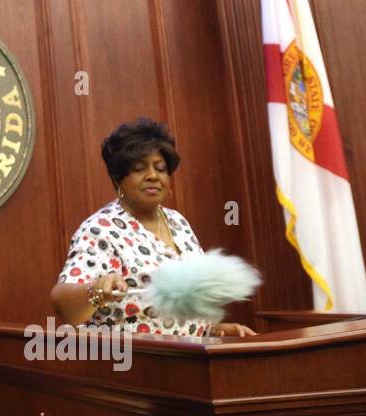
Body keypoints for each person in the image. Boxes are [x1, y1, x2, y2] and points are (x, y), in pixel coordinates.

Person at [49, 118, 257, 338]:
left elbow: (184, 304)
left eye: (161, 169)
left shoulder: (178, 222)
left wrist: (213, 329)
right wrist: (96, 289)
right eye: (139, 169)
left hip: (193, 357)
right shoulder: (100, 229)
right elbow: (62, 303)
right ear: (118, 179)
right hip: (133, 362)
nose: (153, 176)